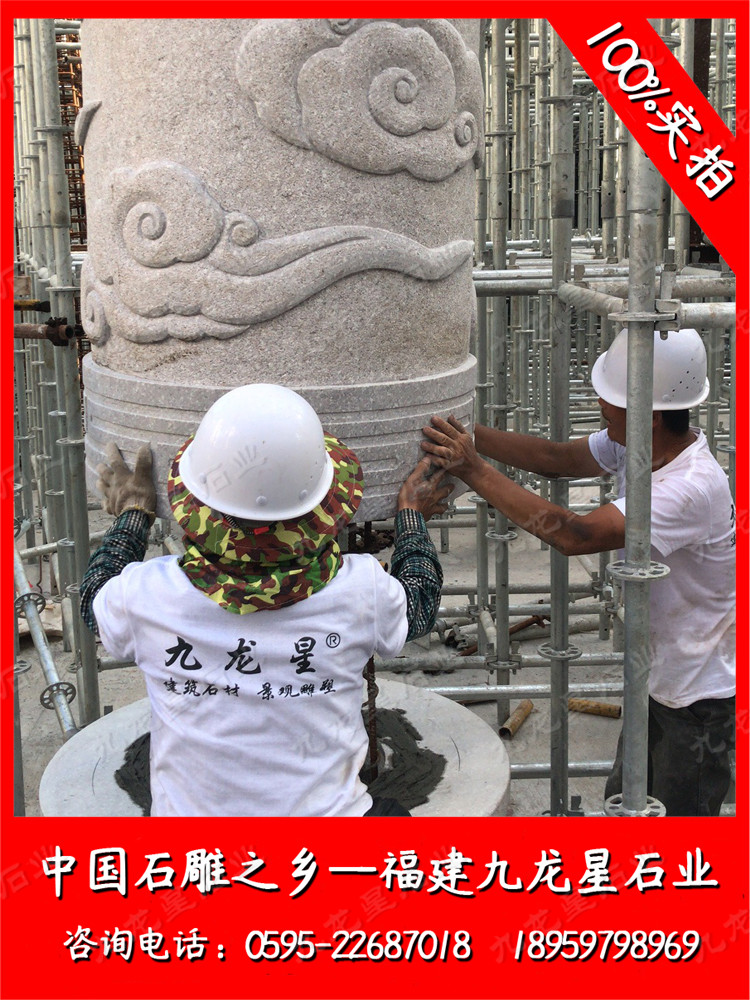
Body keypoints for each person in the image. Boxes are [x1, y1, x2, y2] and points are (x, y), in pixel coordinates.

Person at [80, 383, 453, 817]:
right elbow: (419, 603)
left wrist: (133, 515)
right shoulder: (361, 590)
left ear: (196, 506)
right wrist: (410, 516)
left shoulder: (148, 594)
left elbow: (93, 599)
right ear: (325, 509)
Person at [421, 328, 735, 816]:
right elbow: (555, 459)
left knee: (677, 826)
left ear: (649, 414)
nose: (600, 407)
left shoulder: (690, 487)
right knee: (628, 805)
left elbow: (576, 535)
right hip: (659, 675)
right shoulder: (640, 444)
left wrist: (473, 469)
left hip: (696, 696)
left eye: (610, 401)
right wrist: (463, 433)